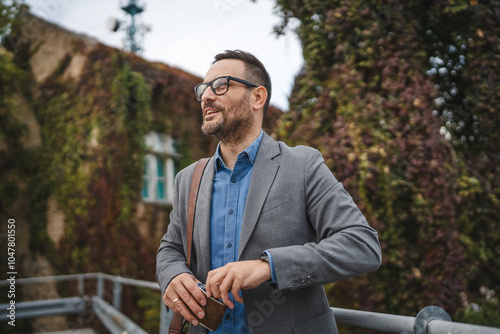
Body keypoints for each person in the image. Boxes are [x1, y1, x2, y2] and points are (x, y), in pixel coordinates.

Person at [156, 50, 382, 334]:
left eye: (221, 85)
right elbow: (170, 249)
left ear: (257, 98)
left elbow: (361, 245)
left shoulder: (303, 165)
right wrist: (173, 275)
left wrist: (267, 267)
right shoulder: (187, 179)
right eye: (203, 89)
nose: (206, 96)